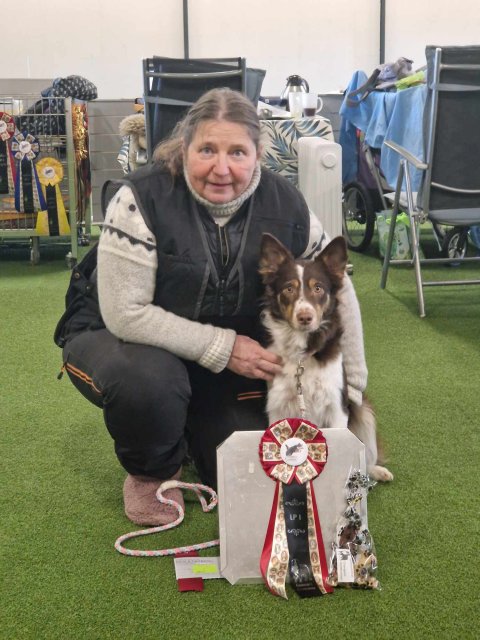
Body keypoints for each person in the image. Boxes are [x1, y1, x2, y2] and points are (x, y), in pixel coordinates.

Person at [58, 88, 367, 527]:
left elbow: (339, 290)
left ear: (258, 154)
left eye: (237, 152)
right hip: (120, 338)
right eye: (207, 150)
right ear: (184, 147)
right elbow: (125, 313)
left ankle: (187, 431)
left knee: (243, 464)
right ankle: (152, 472)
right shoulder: (140, 198)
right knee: (148, 383)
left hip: (223, 360)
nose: (222, 168)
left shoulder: (287, 204)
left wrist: (353, 384)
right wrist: (223, 347)